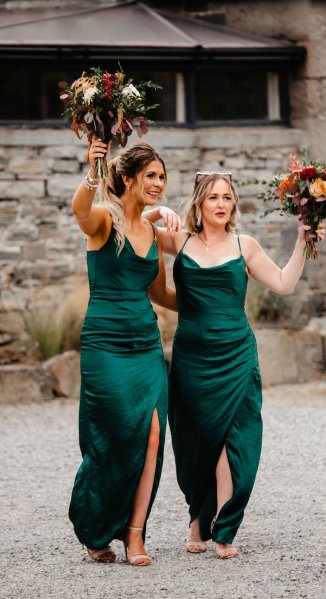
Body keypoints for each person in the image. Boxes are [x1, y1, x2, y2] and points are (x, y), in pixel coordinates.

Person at [153, 171, 325, 559]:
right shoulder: (179, 240)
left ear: (234, 204)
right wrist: (160, 210)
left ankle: (225, 527)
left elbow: (283, 283)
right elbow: (131, 223)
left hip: (236, 355)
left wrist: (302, 240)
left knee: (234, 439)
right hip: (191, 357)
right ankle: (198, 519)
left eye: (227, 197)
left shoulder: (244, 245)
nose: (221, 204)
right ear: (198, 202)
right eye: (213, 197)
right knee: (195, 439)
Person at [69, 139, 178, 566]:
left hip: (146, 346)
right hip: (105, 345)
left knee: (152, 434)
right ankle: (96, 525)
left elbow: (161, 294)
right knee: (112, 438)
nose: (158, 183)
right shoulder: (103, 222)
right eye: (151, 175)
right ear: (128, 178)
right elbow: (80, 210)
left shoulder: (152, 233)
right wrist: (94, 166)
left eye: (162, 177)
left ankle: (135, 535)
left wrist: (211, 300)